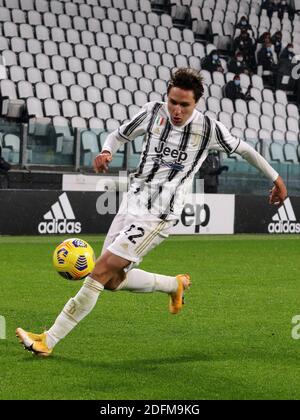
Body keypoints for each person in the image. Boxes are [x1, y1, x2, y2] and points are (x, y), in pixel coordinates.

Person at [16, 68, 288, 357]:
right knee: (111, 281)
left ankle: (48, 339)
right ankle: (174, 284)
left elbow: (245, 150)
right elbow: (117, 135)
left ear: (196, 103)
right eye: (173, 101)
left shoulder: (208, 129)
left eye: (185, 105)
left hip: (158, 214)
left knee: (100, 270)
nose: (177, 110)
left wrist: (277, 180)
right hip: (132, 202)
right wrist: (107, 151)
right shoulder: (152, 113)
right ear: (167, 96)